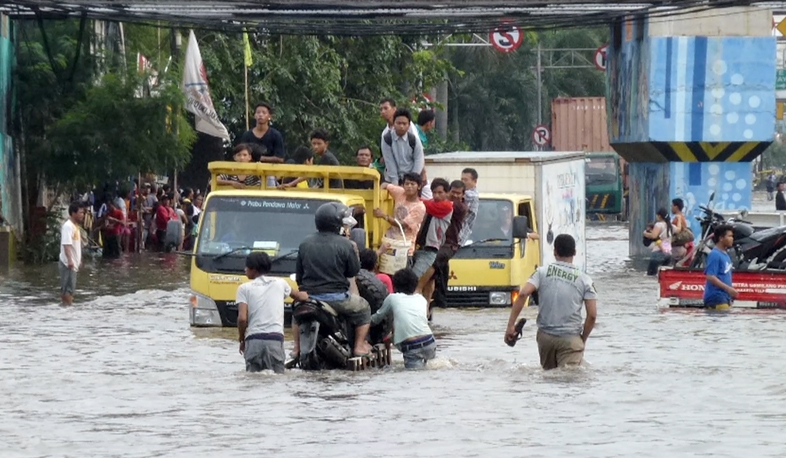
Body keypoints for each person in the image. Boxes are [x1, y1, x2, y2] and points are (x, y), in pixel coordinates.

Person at [504, 234, 598, 370]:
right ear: (574, 252)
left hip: (545, 338)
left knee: (548, 376)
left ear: (554, 252)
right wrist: (583, 339)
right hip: (570, 338)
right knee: (569, 378)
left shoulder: (541, 272)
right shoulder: (585, 280)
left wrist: (511, 326)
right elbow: (592, 315)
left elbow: (523, 294)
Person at [294, 202, 373, 357]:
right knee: (364, 309)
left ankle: (296, 348)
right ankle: (359, 346)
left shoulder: (304, 243)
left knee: (296, 315)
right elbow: (353, 271)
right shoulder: (346, 244)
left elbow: (299, 276)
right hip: (337, 299)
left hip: (309, 298)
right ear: (337, 224)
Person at [236, 252, 308, 373]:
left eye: (246, 267)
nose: (245, 269)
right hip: (275, 340)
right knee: (277, 378)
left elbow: (242, 319)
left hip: (253, 340)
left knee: (252, 380)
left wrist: (241, 338)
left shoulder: (244, 288)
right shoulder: (280, 283)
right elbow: (301, 296)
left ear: (253, 269)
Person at [417, 180, 467, 317]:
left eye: (458, 193)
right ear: (449, 191)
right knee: (432, 279)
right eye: (453, 192)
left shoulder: (457, 207)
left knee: (432, 262)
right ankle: (426, 311)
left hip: (449, 244)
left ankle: (417, 289)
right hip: (436, 243)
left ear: (463, 195)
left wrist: (416, 199)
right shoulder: (440, 202)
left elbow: (431, 206)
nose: (455, 195)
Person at [370, 268, 436, 369]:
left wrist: (362, 323)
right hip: (430, 341)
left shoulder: (392, 298)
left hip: (412, 346)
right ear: (415, 285)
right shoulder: (421, 299)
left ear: (395, 286)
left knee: (413, 374)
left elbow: (376, 318)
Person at [373, 172, 427, 259]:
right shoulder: (400, 192)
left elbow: (402, 224)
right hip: (390, 243)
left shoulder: (420, 208)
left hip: (405, 248)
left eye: (412, 184)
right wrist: (378, 195)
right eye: (407, 184)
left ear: (419, 186)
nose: (409, 186)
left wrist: (384, 216)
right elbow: (385, 184)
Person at [412, 179, 453, 279]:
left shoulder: (447, 206)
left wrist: (414, 199)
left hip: (430, 249)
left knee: (413, 278)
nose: (436, 196)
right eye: (434, 192)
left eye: (440, 192)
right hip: (418, 246)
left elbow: (427, 205)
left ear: (447, 193)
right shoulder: (430, 203)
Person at [381, 108, 425, 186]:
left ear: (409, 125)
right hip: (392, 179)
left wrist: (412, 180)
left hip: (412, 180)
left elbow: (419, 160)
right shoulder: (387, 139)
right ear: (394, 124)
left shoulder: (414, 140)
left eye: (404, 124)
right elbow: (389, 161)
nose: (401, 126)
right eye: (398, 123)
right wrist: (395, 182)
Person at [703, 224, 738, 310]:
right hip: (716, 297)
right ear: (721, 238)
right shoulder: (715, 254)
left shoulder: (726, 255)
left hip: (725, 297)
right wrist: (728, 289)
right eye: (729, 236)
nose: (732, 239)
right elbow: (710, 276)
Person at [60, 202, 85, 305]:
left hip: (73, 263)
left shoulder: (75, 227)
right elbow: (66, 244)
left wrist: (79, 260)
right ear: (73, 213)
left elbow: (75, 246)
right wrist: (70, 260)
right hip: (68, 264)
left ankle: (67, 308)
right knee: (68, 289)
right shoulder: (68, 226)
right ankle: (68, 309)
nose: (83, 215)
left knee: (70, 289)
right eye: (80, 212)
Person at [643, 207, 672, 276]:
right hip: (668, 254)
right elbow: (678, 229)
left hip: (658, 253)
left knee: (650, 275)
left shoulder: (659, 225)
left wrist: (645, 233)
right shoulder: (670, 225)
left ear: (659, 216)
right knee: (663, 276)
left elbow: (654, 236)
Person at [459, 168, 479, 245]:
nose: (463, 182)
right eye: (462, 179)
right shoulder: (463, 193)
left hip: (461, 235)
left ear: (475, 181)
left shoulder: (472, 196)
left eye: (466, 180)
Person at [670, 198, 693, 262]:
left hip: (677, 248)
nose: (671, 208)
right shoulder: (681, 217)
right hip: (680, 248)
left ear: (676, 207)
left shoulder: (677, 219)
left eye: (672, 206)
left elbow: (676, 232)